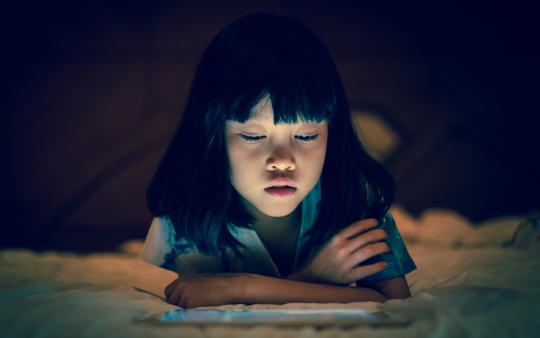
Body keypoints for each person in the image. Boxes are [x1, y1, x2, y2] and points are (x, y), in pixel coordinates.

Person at [141, 13, 416, 309]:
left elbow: (393, 301)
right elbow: (188, 295)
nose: (283, 162)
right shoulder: (187, 212)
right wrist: (314, 277)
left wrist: (244, 287)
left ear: (330, 133)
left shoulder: (355, 195)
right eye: (253, 137)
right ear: (213, 138)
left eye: (307, 136)